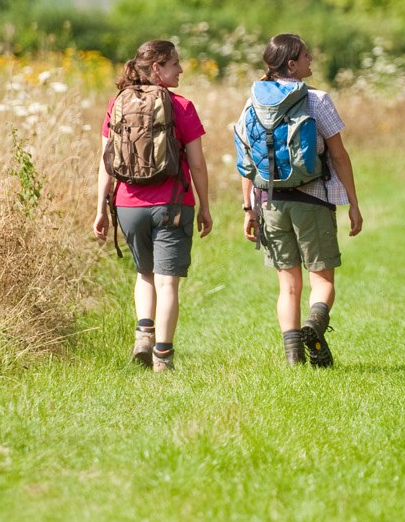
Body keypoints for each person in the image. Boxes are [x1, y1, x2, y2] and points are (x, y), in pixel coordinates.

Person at [238, 34, 363, 367]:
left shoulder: (253, 102)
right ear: (291, 64)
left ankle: (294, 358)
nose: (311, 60)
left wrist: (249, 208)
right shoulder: (317, 99)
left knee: (287, 284)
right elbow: (338, 154)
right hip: (313, 199)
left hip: (270, 201)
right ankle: (315, 325)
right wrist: (353, 202)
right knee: (321, 278)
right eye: (306, 56)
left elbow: (247, 160)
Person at [92, 40, 213, 372]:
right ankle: (163, 356)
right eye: (174, 63)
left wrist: (101, 208)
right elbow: (198, 164)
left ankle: (143, 334)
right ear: (157, 69)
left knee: (144, 274)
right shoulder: (182, 107)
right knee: (167, 281)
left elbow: (105, 162)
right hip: (172, 204)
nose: (181, 69)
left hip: (128, 205)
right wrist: (204, 206)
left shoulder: (116, 104)